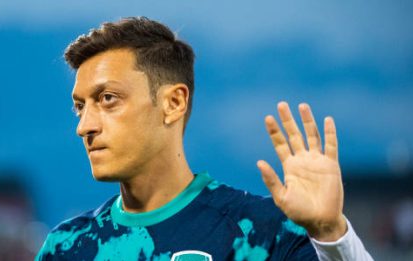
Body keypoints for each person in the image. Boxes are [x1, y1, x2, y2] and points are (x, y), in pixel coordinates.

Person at [36, 17, 373, 260]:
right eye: (80, 107)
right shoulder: (67, 247)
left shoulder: (262, 233)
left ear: (173, 103)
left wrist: (332, 237)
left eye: (107, 98)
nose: (85, 126)